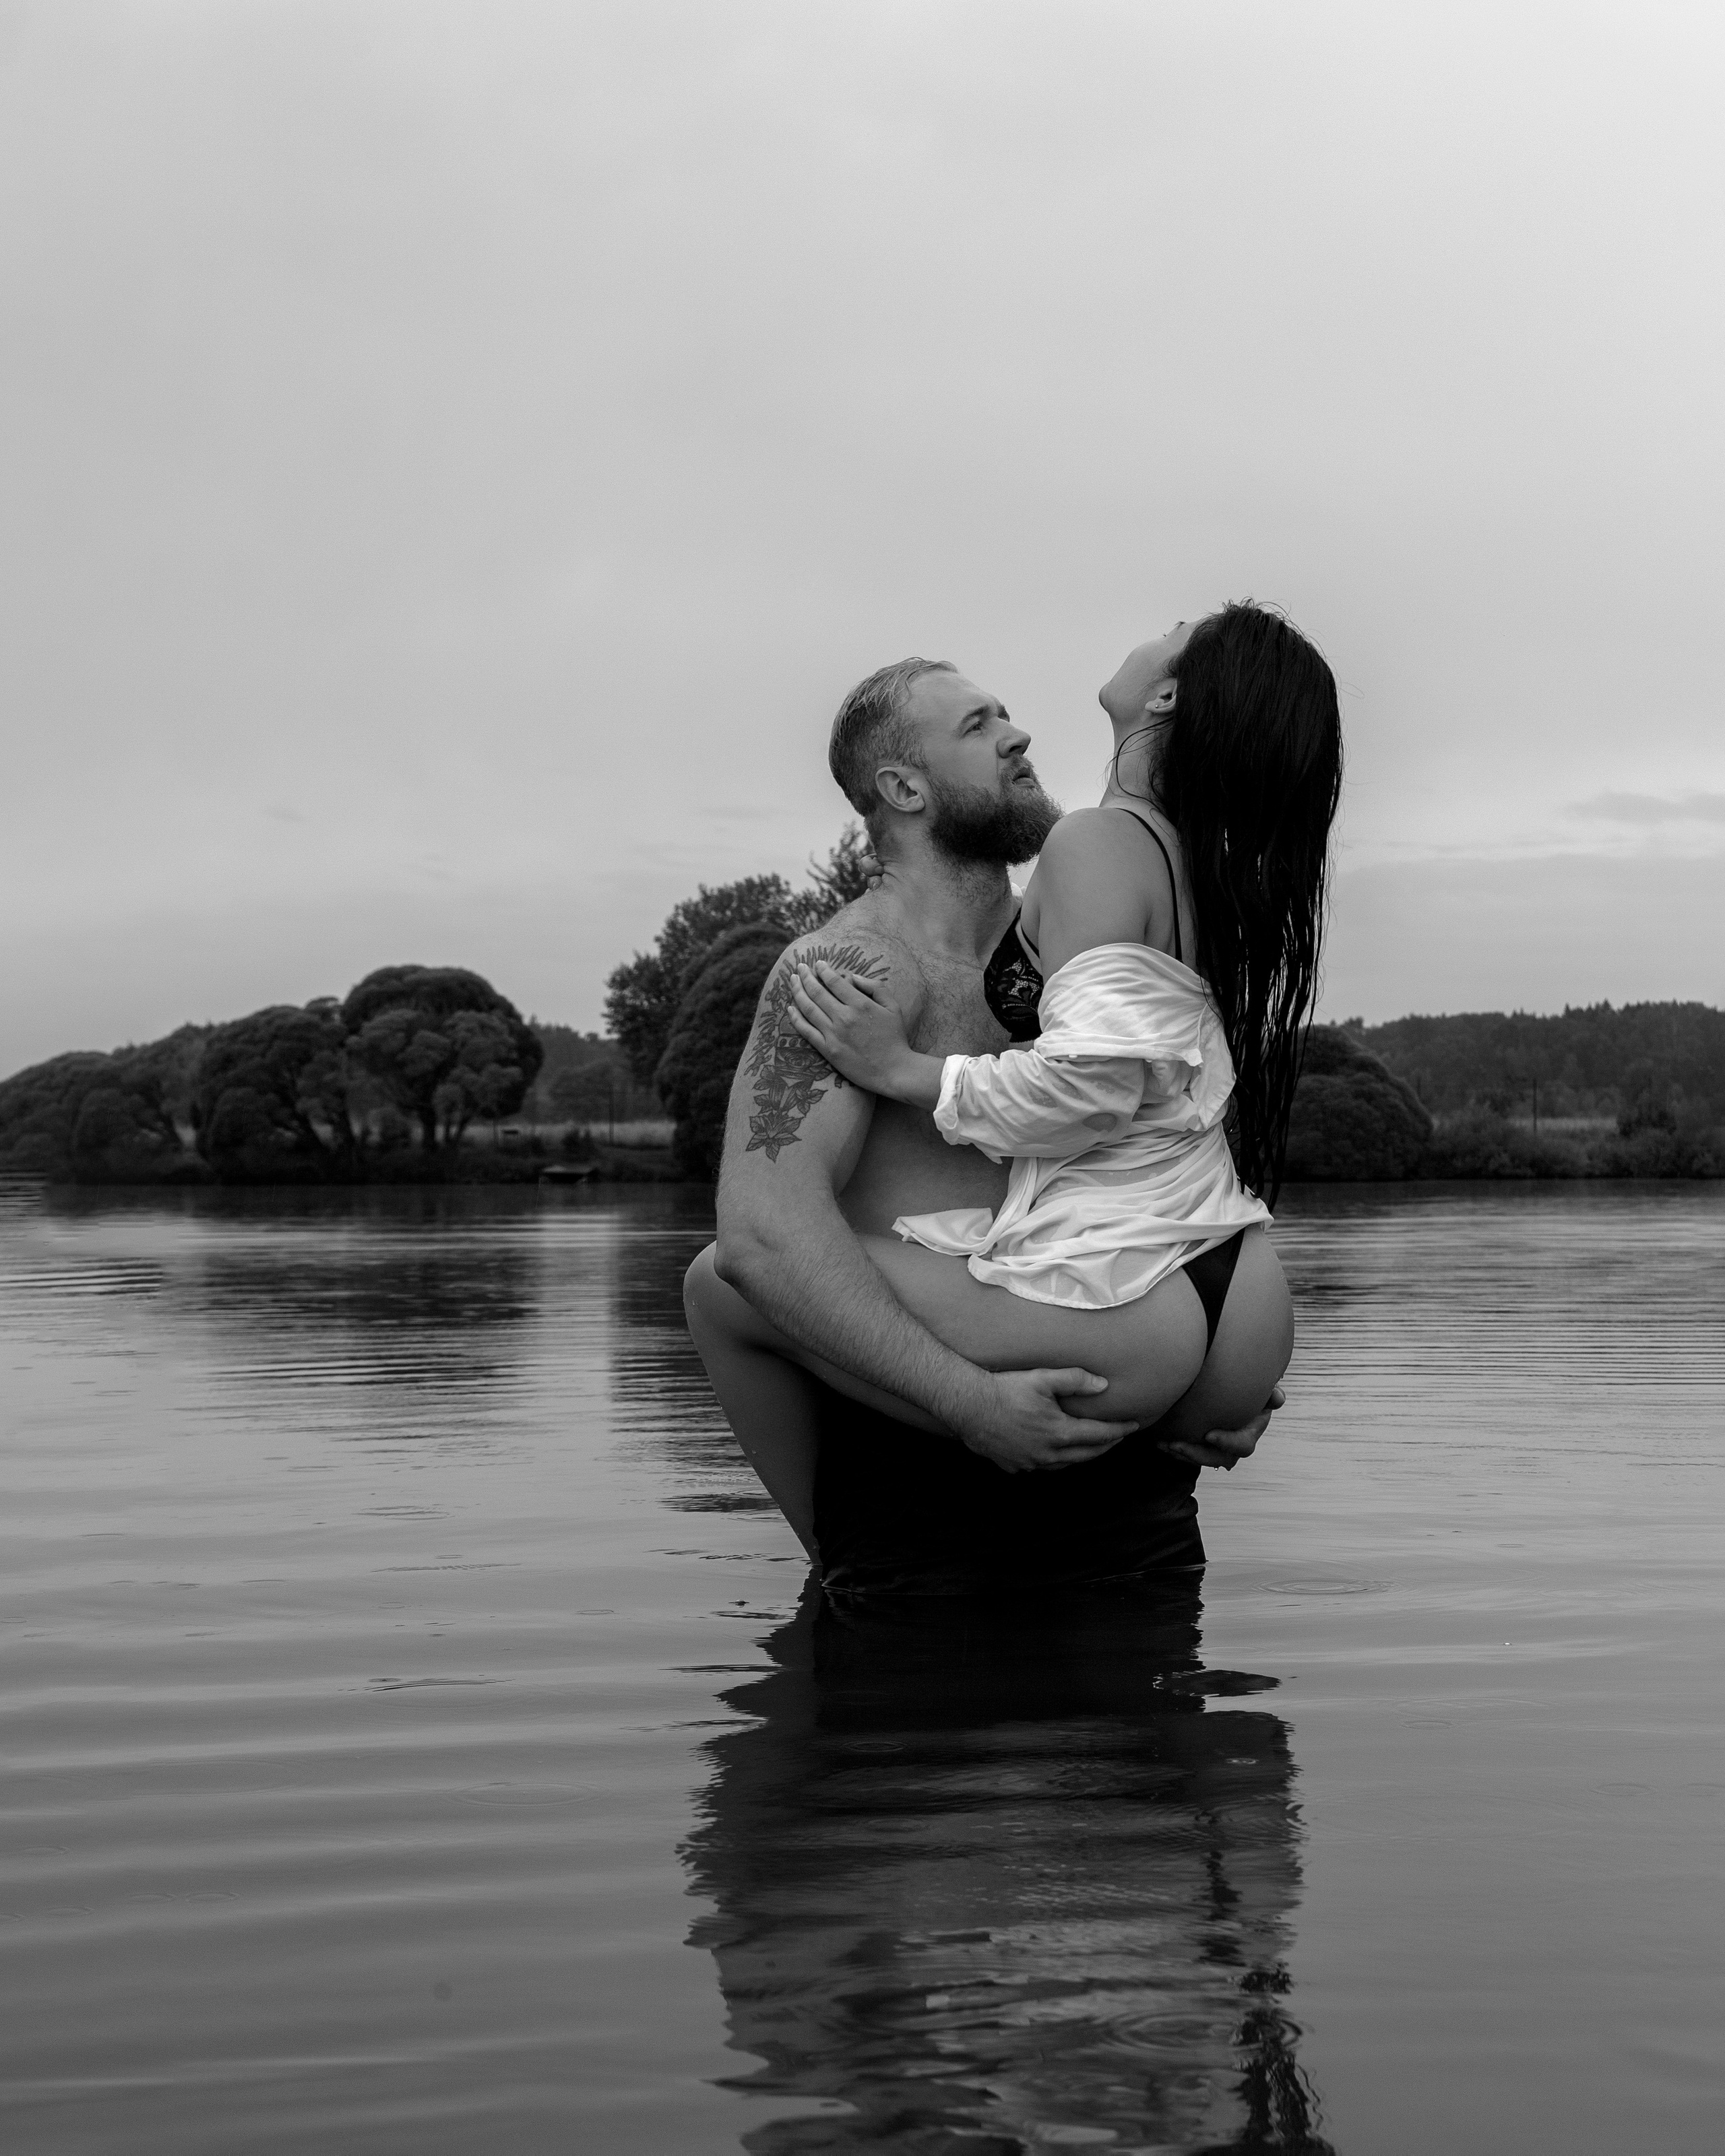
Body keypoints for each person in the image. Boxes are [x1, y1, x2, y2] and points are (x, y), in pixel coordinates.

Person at [684, 603, 1338, 1579]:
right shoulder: (851, 969)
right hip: (988, 1464)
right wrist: (970, 1403)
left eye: (1007, 715)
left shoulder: (1074, 925)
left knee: (711, 1283)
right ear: (901, 786)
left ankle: (834, 1567)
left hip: (1122, 1457)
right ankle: (841, 1564)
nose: (1019, 733)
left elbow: (1133, 1110)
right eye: (978, 725)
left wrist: (1193, 1384)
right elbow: (768, 1233)